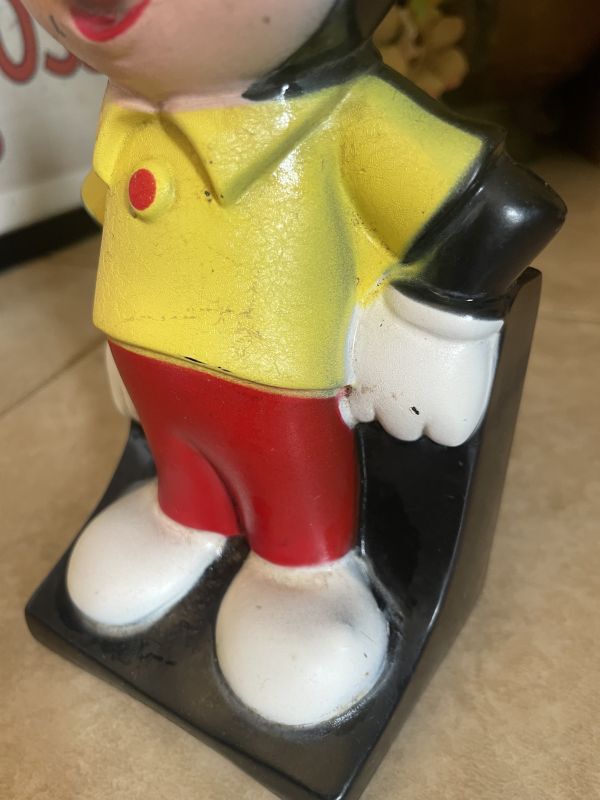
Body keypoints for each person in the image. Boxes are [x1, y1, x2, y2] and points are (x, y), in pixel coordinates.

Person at [21, 0, 565, 727]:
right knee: (186, 469)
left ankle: (303, 569)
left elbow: (500, 212)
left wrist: (425, 326)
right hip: (153, 372)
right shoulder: (130, 107)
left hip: (279, 392)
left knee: (290, 487)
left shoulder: (348, 117)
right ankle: (185, 516)